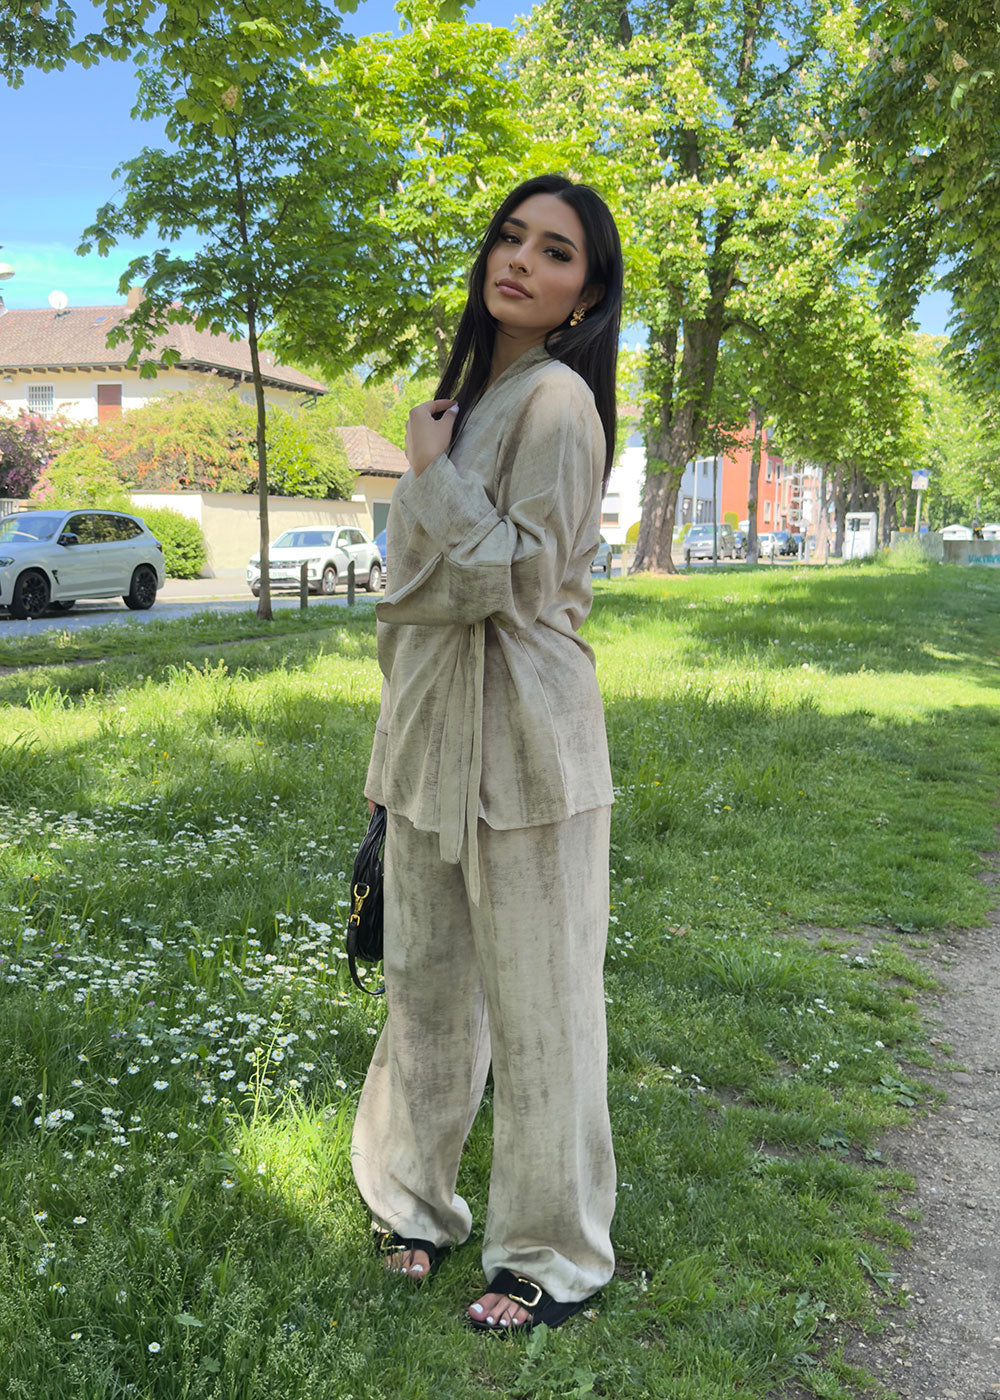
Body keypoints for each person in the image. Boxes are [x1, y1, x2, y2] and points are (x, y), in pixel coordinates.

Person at [351, 173, 623, 1334]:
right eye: (510, 237)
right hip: (428, 732)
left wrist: (426, 476)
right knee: (424, 985)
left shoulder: (556, 400)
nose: (521, 259)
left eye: (555, 251)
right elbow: (406, 600)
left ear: (584, 295)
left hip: (525, 737)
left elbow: (506, 574)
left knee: (541, 1001)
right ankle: (413, 1198)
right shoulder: (460, 404)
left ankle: (550, 1252)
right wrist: (387, 757)